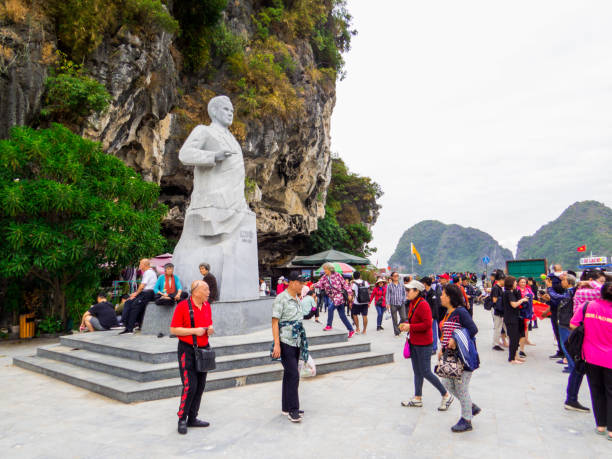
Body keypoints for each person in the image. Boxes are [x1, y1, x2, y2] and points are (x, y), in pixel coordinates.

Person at [399, 280, 453, 410]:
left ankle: (446, 394)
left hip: (424, 343)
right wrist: (406, 325)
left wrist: (410, 326)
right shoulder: (413, 303)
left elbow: (427, 325)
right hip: (414, 341)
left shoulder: (423, 305)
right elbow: (414, 321)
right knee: (417, 371)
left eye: (409, 290)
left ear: (417, 291)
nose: (406, 292)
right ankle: (417, 398)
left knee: (426, 371)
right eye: (406, 290)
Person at [170, 280, 214, 435]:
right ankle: (182, 418)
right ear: (196, 291)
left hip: (204, 351)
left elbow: (208, 324)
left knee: (200, 386)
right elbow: (174, 329)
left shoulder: (207, 306)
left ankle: (193, 417)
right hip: (187, 350)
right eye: (206, 289)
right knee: (190, 386)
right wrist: (194, 331)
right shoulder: (183, 306)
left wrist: (210, 329)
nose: (209, 292)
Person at [570, 282, 612, 439]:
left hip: (591, 356)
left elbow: (573, 325)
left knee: (596, 391)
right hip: (610, 359)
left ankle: (601, 426)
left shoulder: (588, 306)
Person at [437, 283, 480, 432]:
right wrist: (442, 348)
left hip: (463, 357)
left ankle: (466, 420)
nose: (441, 297)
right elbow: (446, 333)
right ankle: (470, 405)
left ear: (449, 297)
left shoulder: (461, 312)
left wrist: (455, 339)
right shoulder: (448, 312)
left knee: (461, 388)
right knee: (447, 383)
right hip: (450, 357)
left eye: (443, 294)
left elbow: (473, 329)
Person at [271, 271, 309, 423]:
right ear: (292, 282)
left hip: (297, 341)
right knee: (293, 375)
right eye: (300, 283)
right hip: (285, 341)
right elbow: (275, 322)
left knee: (289, 374)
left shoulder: (297, 298)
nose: (302, 285)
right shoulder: (281, 298)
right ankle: (293, 410)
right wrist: (277, 344)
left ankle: (286, 407)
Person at [313, 263, 355, 338]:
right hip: (333, 297)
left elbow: (345, 284)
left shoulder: (337, 275)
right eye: (324, 269)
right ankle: (351, 330)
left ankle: (329, 325)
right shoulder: (325, 277)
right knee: (342, 316)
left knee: (330, 308)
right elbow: (319, 283)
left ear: (329, 269)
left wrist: (349, 294)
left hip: (339, 295)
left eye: (325, 269)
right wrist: (312, 285)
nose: (324, 270)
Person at [120, 258, 157, 334]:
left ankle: (130, 329)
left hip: (148, 293)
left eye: (140, 264)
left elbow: (142, 286)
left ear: (144, 265)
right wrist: (135, 294)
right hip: (144, 293)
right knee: (128, 302)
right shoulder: (148, 272)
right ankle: (126, 325)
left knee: (134, 305)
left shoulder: (148, 272)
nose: (139, 265)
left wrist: (135, 294)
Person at [502, 276, 529, 364]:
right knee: (513, 339)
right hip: (511, 319)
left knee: (516, 338)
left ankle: (515, 356)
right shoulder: (508, 293)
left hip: (513, 317)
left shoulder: (511, 292)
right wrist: (523, 300)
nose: (516, 283)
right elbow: (514, 304)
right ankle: (512, 359)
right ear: (511, 283)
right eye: (514, 282)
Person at [543, 273, 566, 359]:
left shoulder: (554, 287)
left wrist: (549, 288)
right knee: (558, 332)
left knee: (559, 333)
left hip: (558, 313)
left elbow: (556, 299)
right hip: (556, 311)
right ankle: (562, 351)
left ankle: (564, 353)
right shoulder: (557, 286)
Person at [421, 277, 439, 354]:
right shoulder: (423, 292)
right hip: (424, 316)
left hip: (432, 316)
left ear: (425, 283)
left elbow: (435, 306)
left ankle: (434, 348)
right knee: (425, 332)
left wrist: (433, 317)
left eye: (422, 283)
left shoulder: (433, 293)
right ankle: (427, 346)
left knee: (433, 332)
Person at [386, 272, 407, 336]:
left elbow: (404, 293)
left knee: (404, 318)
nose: (396, 277)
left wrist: (404, 300)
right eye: (394, 276)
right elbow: (388, 295)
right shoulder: (389, 285)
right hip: (393, 304)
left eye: (397, 276)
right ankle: (396, 332)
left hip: (401, 303)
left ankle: (398, 328)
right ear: (392, 277)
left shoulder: (401, 284)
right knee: (394, 319)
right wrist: (388, 303)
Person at [490, 272, 506, 351]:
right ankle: (495, 344)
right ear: (500, 280)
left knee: (499, 327)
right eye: (504, 280)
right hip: (496, 309)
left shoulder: (499, 288)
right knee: (498, 327)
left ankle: (497, 342)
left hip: (499, 309)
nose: (505, 282)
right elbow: (494, 300)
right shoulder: (496, 288)